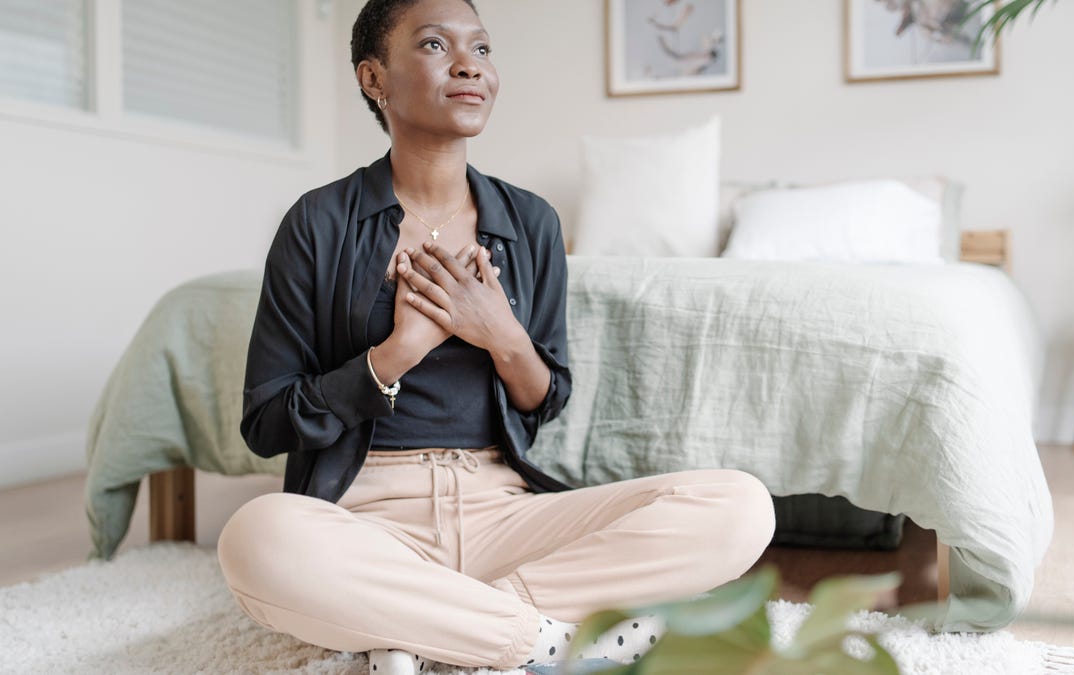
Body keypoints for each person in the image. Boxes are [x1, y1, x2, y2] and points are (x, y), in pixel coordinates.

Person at [215, 0, 776, 672]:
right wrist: (397, 352)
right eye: (433, 45)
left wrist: (502, 333)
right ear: (373, 79)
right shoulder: (318, 222)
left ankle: (421, 625)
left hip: (503, 512)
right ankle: (543, 642)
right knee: (255, 537)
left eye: (480, 49)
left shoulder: (530, 222)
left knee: (741, 506)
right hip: (367, 515)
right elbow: (266, 421)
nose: (468, 66)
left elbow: (545, 400)